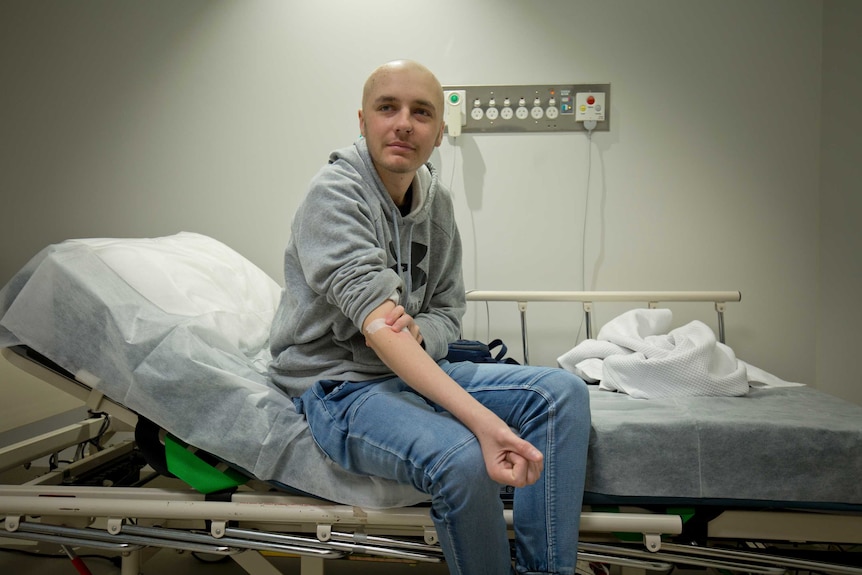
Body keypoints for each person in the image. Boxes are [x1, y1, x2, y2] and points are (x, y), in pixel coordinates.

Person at [269, 59, 591, 575]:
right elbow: (379, 330)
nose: (403, 123)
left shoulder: (436, 205)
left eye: (421, 112)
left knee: (562, 394)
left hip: (411, 370)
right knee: (463, 457)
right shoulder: (333, 196)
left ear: (440, 132)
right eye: (387, 108)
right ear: (362, 120)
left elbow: (446, 311)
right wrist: (483, 422)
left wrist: (421, 331)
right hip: (340, 385)